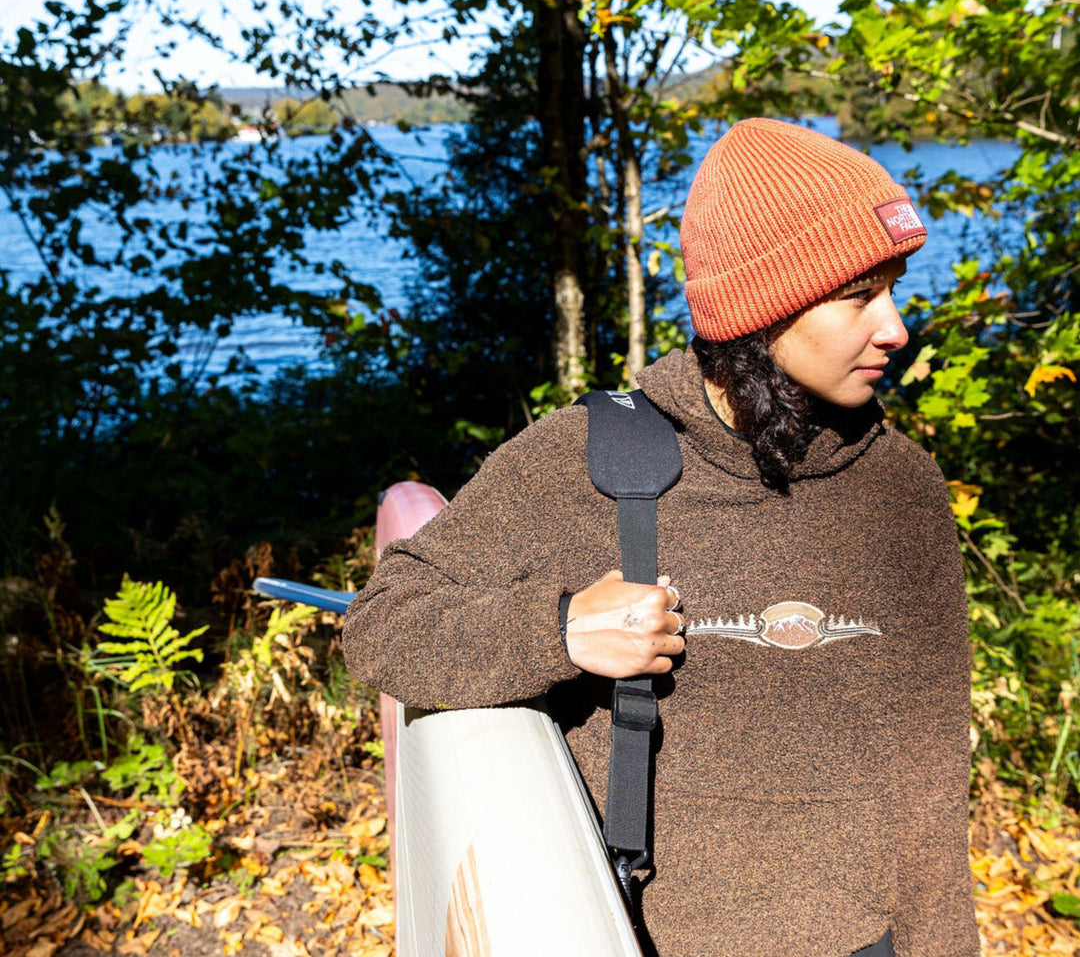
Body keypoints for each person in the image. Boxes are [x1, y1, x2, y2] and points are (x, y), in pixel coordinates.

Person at [342, 118, 979, 957]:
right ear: (763, 305)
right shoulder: (589, 462)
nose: (896, 327)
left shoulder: (902, 487)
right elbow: (381, 627)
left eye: (893, 289)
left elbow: (932, 782)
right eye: (860, 296)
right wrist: (559, 629)